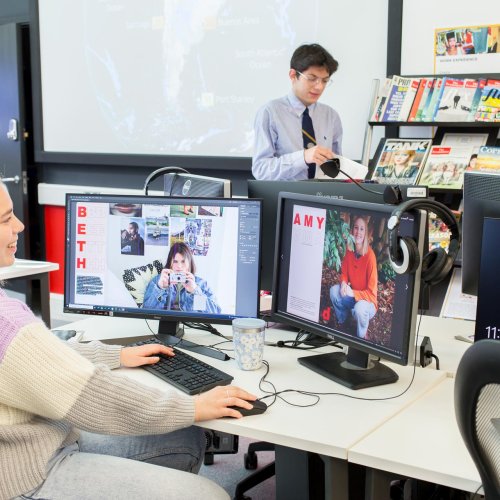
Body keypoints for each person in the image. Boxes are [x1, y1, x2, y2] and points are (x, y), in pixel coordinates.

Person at [0, 180, 256, 499]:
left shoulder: (199, 284)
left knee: (184, 437)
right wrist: (191, 406)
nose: (20, 225)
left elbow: (38, 358)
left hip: (45, 439)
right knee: (210, 494)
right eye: (6, 218)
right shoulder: (6, 320)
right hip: (26, 474)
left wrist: (115, 355)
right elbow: (90, 396)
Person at [252, 43, 343, 181]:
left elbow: (337, 168)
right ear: (293, 75)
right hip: (285, 199)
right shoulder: (270, 112)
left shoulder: (331, 116)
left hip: (323, 197)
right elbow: (261, 170)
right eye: (312, 79)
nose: (319, 87)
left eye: (325, 81)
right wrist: (303, 158)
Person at [329, 216, 377, 339]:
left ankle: (361, 336)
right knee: (334, 291)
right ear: (352, 230)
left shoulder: (370, 257)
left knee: (360, 308)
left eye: (362, 229)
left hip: (367, 303)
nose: (358, 232)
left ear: (366, 233)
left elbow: (371, 294)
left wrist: (353, 293)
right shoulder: (349, 250)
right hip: (353, 297)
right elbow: (344, 272)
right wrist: (344, 283)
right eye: (356, 228)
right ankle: (344, 321)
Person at [143, 242, 221, 313]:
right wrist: (160, 288)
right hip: (166, 324)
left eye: (183, 261)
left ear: (189, 263)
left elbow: (215, 313)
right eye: (175, 261)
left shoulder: (200, 284)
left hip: (191, 326)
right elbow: (146, 312)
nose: (179, 266)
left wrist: (195, 291)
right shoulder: (159, 280)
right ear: (170, 263)